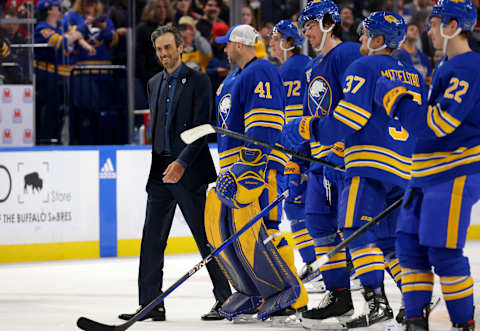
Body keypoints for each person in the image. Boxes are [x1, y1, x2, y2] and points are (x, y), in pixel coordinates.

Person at [282, 11, 425, 329]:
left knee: (353, 231)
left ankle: (376, 303)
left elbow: (350, 117)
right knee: (387, 241)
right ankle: (417, 302)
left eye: (365, 34)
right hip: (403, 170)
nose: (359, 39)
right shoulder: (413, 74)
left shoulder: (362, 64)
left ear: (378, 40)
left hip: (368, 163)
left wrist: (311, 128)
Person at [375, 1, 479, 329]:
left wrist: (398, 100)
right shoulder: (448, 64)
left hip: (453, 172)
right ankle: (415, 321)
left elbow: (437, 124)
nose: (428, 31)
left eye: (433, 24)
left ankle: (464, 324)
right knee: (409, 247)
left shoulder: (468, 66)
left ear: (452, 26)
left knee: (442, 251)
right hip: (425, 175)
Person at [118, 25, 231, 322]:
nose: (163, 54)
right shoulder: (154, 82)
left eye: (168, 47)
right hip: (159, 171)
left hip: (189, 170)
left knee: (205, 237)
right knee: (151, 238)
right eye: (159, 49)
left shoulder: (198, 81)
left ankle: (225, 298)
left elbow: (202, 130)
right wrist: (162, 162)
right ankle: (150, 303)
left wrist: (181, 162)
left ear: (180, 47)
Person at [208, 24, 308, 323]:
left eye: (227, 44)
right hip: (235, 170)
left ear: (239, 44)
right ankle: (256, 291)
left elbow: (264, 124)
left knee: (265, 229)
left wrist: (251, 166)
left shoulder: (259, 71)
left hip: (256, 169)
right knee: (234, 234)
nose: (224, 49)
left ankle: (292, 298)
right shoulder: (234, 79)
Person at [283, 1, 364, 327]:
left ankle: (393, 293)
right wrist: (296, 158)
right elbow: (310, 115)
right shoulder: (315, 65)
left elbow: (357, 104)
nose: (306, 34)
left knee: (358, 229)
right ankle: (338, 295)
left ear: (328, 23)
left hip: (344, 159)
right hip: (318, 159)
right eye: (303, 28)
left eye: (310, 26)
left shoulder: (348, 54)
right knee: (316, 220)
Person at [269, 19, 317, 283]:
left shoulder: (288, 68)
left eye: (275, 39)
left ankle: (315, 264)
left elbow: (291, 116)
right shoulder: (308, 65)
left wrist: (291, 151)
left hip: (299, 151)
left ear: (288, 42)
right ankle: (338, 264)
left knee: (296, 207)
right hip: (313, 146)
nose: (271, 44)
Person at [33, 0, 89, 144]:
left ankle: (61, 139)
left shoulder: (60, 26)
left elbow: (73, 36)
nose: (59, 10)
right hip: (46, 75)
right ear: (49, 10)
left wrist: (74, 36)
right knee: (49, 110)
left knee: (62, 111)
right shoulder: (42, 28)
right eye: (56, 7)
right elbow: (59, 42)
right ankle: (46, 140)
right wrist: (74, 36)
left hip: (61, 76)